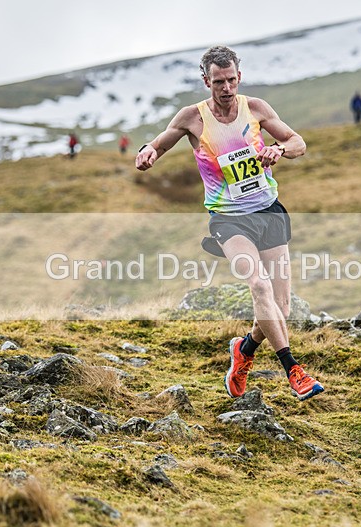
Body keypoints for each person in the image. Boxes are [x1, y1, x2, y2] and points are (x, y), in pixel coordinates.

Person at [135, 45, 324, 401]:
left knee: (281, 310)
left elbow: (297, 142)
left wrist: (279, 150)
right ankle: (294, 371)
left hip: (268, 211)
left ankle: (245, 350)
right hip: (228, 220)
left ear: (240, 76)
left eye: (232, 79)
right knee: (259, 286)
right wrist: (147, 152)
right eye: (218, 81)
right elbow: (159, 144)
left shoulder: (256, 109)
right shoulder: (193, 117)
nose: (226, 88)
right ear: (206, 80)